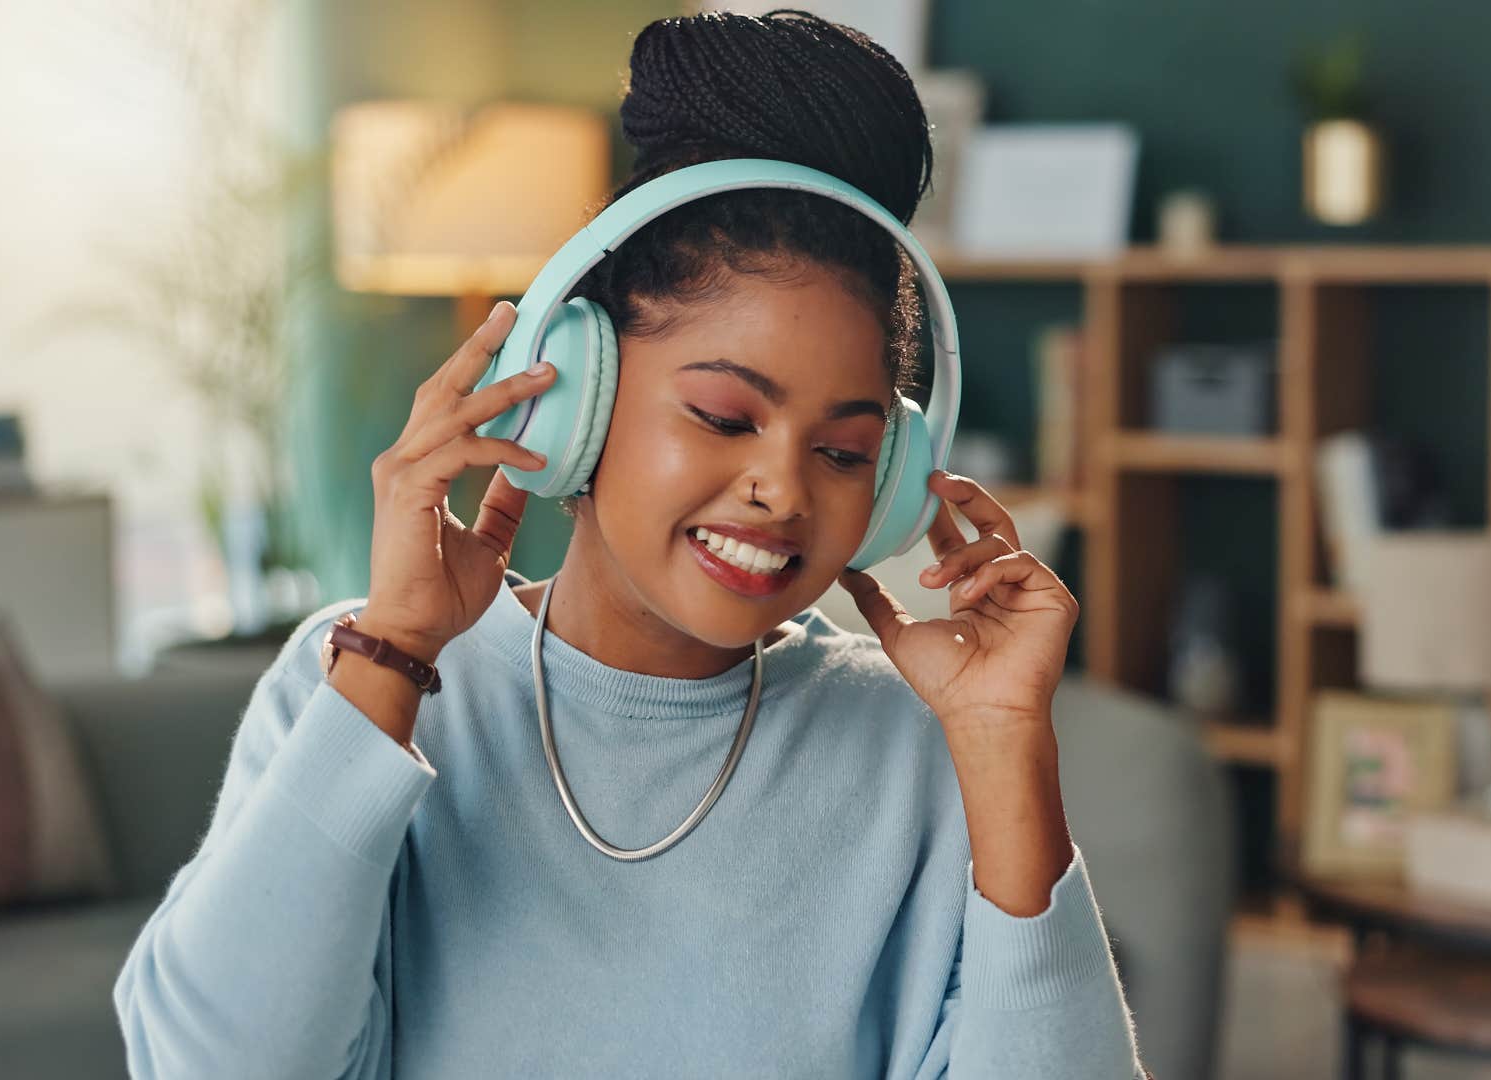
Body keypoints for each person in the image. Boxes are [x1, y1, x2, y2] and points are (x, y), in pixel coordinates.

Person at [115, 9, 1146, 1078]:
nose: (781, 489)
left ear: (892, 485)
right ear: (573, 400)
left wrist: (1003, 748)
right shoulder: (360, 678)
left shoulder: (918, 748)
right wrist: (396, 657)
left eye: (843, 452)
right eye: (723, 416)